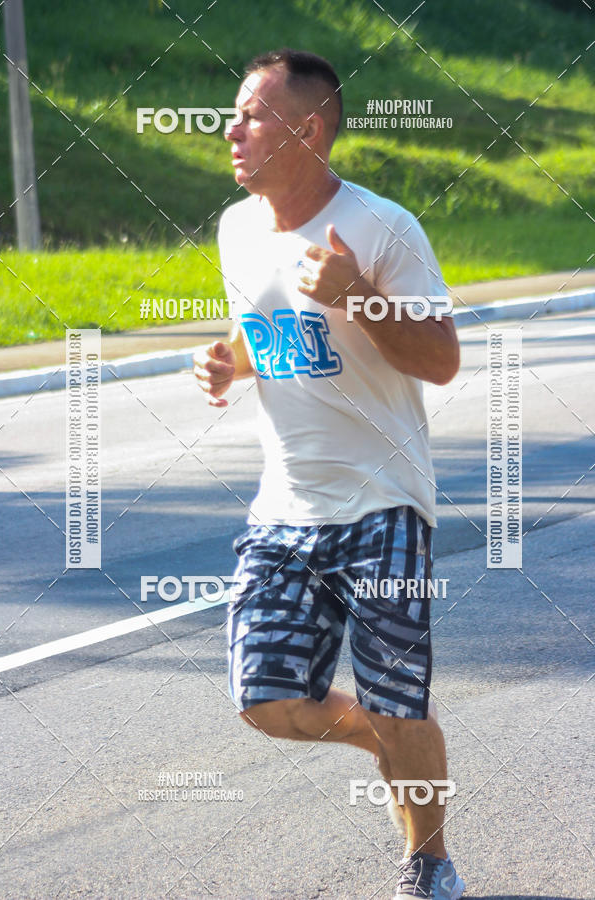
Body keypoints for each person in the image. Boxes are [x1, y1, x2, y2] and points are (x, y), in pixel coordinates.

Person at [193, 48, 464, 900]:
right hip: (285, 508)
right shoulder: (237, 228)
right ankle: (390, 737)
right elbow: (262, 329)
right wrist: (228, 362)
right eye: (233, 115)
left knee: (397, 697)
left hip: (383, 502)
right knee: (264, 700)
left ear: (307, 130)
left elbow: (442, 359)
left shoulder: (382, 227)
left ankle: (429, 860)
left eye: (250, 115)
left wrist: (358, 296)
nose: (231, 130)